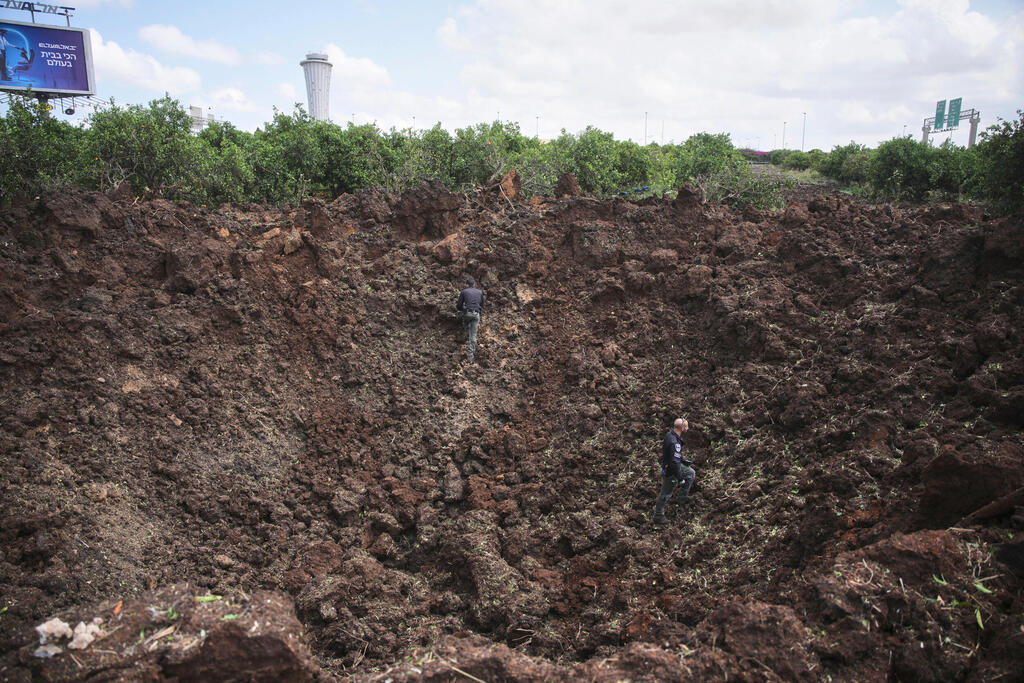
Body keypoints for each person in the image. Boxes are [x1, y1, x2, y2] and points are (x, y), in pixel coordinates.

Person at [653, 418, 694, 524]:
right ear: (681, 428)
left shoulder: (670, 435)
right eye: (686, 427)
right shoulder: (675, 443)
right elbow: (674, 463)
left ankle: (682, 497)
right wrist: (680, 479)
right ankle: (658, 515)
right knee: (666, 493)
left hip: (671, 464)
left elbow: (674, 456)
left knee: (690, 473)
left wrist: (683, 460)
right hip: (670, 470)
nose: (688, 429)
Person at [455, 276, 484, 362]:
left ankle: (466, 335)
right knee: (473, 335)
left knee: (466, 322)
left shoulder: (464, 291)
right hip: (476, 314)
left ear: (467, 285)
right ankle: (470, 357)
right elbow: (482, 304)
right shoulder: (480, 292)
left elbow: (458, 305)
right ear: (474, 284)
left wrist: (463, 310)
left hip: (468, 313)